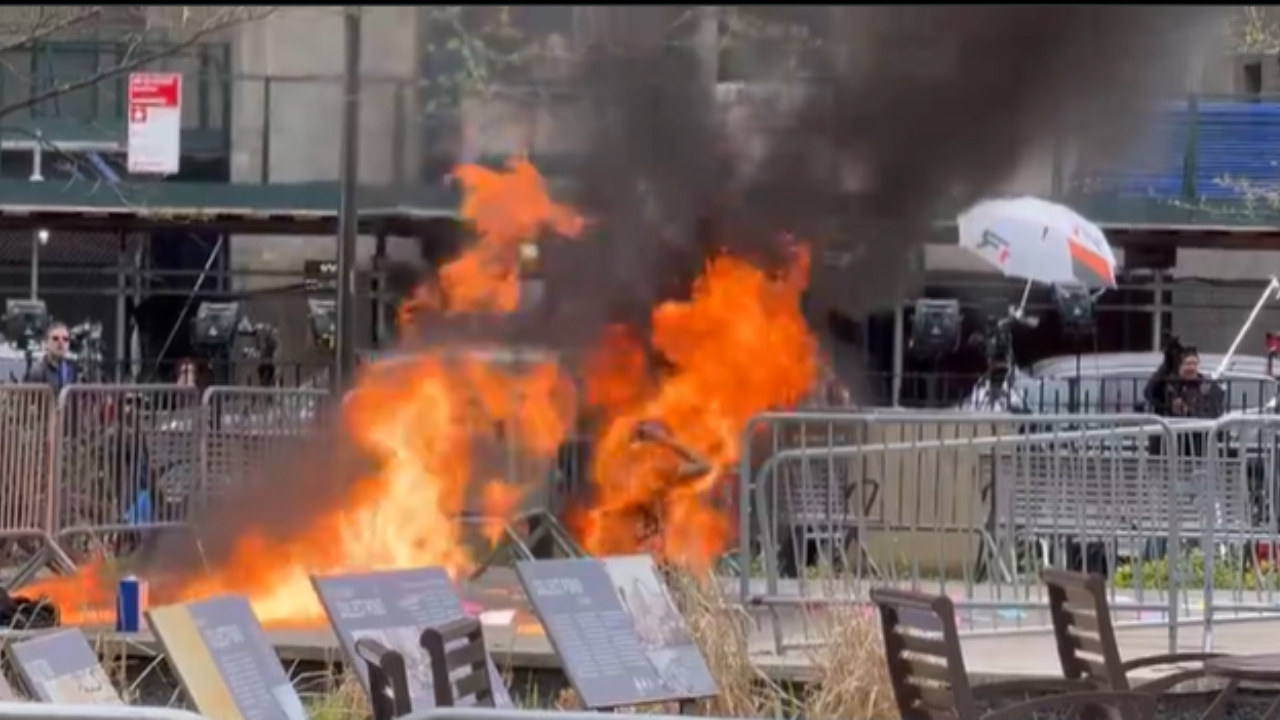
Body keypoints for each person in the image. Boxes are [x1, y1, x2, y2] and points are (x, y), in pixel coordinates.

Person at [24, 323, 77, 393]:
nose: (61, 342)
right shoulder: (37, 371)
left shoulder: (72, 368)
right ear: (46, 343)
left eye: (65, 339)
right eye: (55, 339)